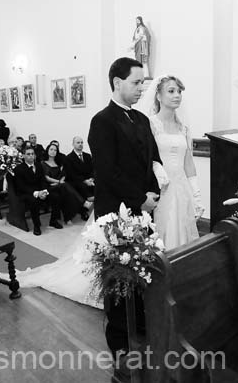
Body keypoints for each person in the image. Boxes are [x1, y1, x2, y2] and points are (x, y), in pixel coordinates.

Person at [88, 56, 163, 376]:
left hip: (144, 210)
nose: (141, 88)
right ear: (117, 83)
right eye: (136, 82)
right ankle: (119, 341)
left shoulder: (143, 119)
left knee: (142, 269)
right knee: (119, 276)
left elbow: (153, 158)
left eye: (143, 83)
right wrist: (138, 199)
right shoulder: (102, 121)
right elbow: (107, 172)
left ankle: (142, 322)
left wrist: (156, 187)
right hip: (116, 212)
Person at [142, 75, 204, 248]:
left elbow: (188, 163)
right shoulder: (150, 124)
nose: (177, 95)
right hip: (160, 189)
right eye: (171, 91)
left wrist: (197, 196)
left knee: (183, 234)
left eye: (179, 91)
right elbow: (146, 158)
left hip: (180, 188)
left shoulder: (183, 128)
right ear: (159, 96)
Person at [11, 146, 62, 235]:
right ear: (23, 156)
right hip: (26, 193)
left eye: (32, 154)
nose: (31, 156)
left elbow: (43, 180)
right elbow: (22, 186)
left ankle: (53, 221)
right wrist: (37, 193)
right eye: (28, 154)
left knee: (56, 196)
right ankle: (37, 225)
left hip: (40, 191)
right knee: (33, 201)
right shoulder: (19, 169)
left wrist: (44, 191)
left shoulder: (39, 165)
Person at [64, 136, 94, 221]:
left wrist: (91, 179)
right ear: (73, 144)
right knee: (81, 186)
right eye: (78, 142)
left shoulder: (88, 156)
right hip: (75, 181)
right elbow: (71, 174)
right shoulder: (69, 158)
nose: (80, 144)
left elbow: (92, 169)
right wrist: (85, 181)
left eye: (81, 142)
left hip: (89, 180)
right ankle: (84, 211)